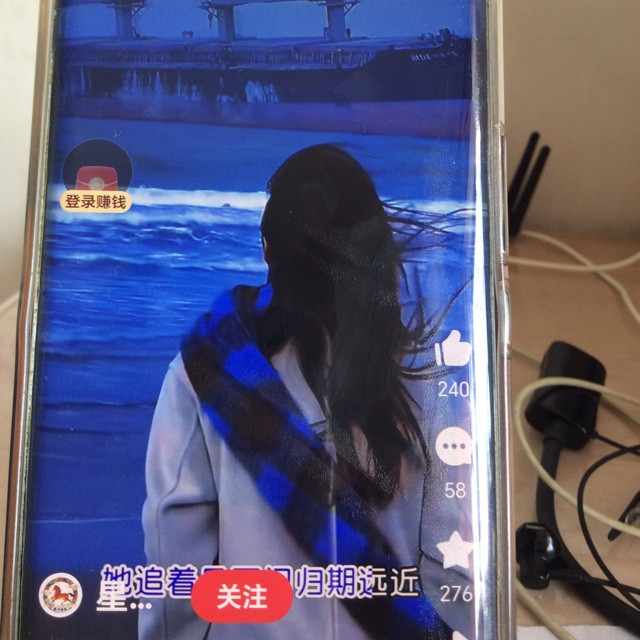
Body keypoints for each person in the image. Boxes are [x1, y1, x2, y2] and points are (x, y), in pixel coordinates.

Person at [139, 144, 452, 640]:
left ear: (268, 250)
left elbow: (173, 542)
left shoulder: (210, 366)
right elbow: (453, 560)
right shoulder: (431, 375)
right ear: (375, 254)